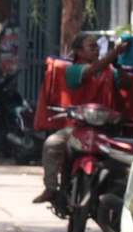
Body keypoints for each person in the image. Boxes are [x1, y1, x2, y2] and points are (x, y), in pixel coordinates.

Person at [38, 32, 119, 210]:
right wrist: (114, 54)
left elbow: (126, 84)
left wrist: (118, 66)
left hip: (106, 129)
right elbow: (90, 71)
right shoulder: (74, 70)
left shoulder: (108, 70)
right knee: (52, 144)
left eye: (97, 47)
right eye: (91, 47)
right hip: (78, 129)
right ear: (79, 52)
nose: (96, 50)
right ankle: (51, 188)